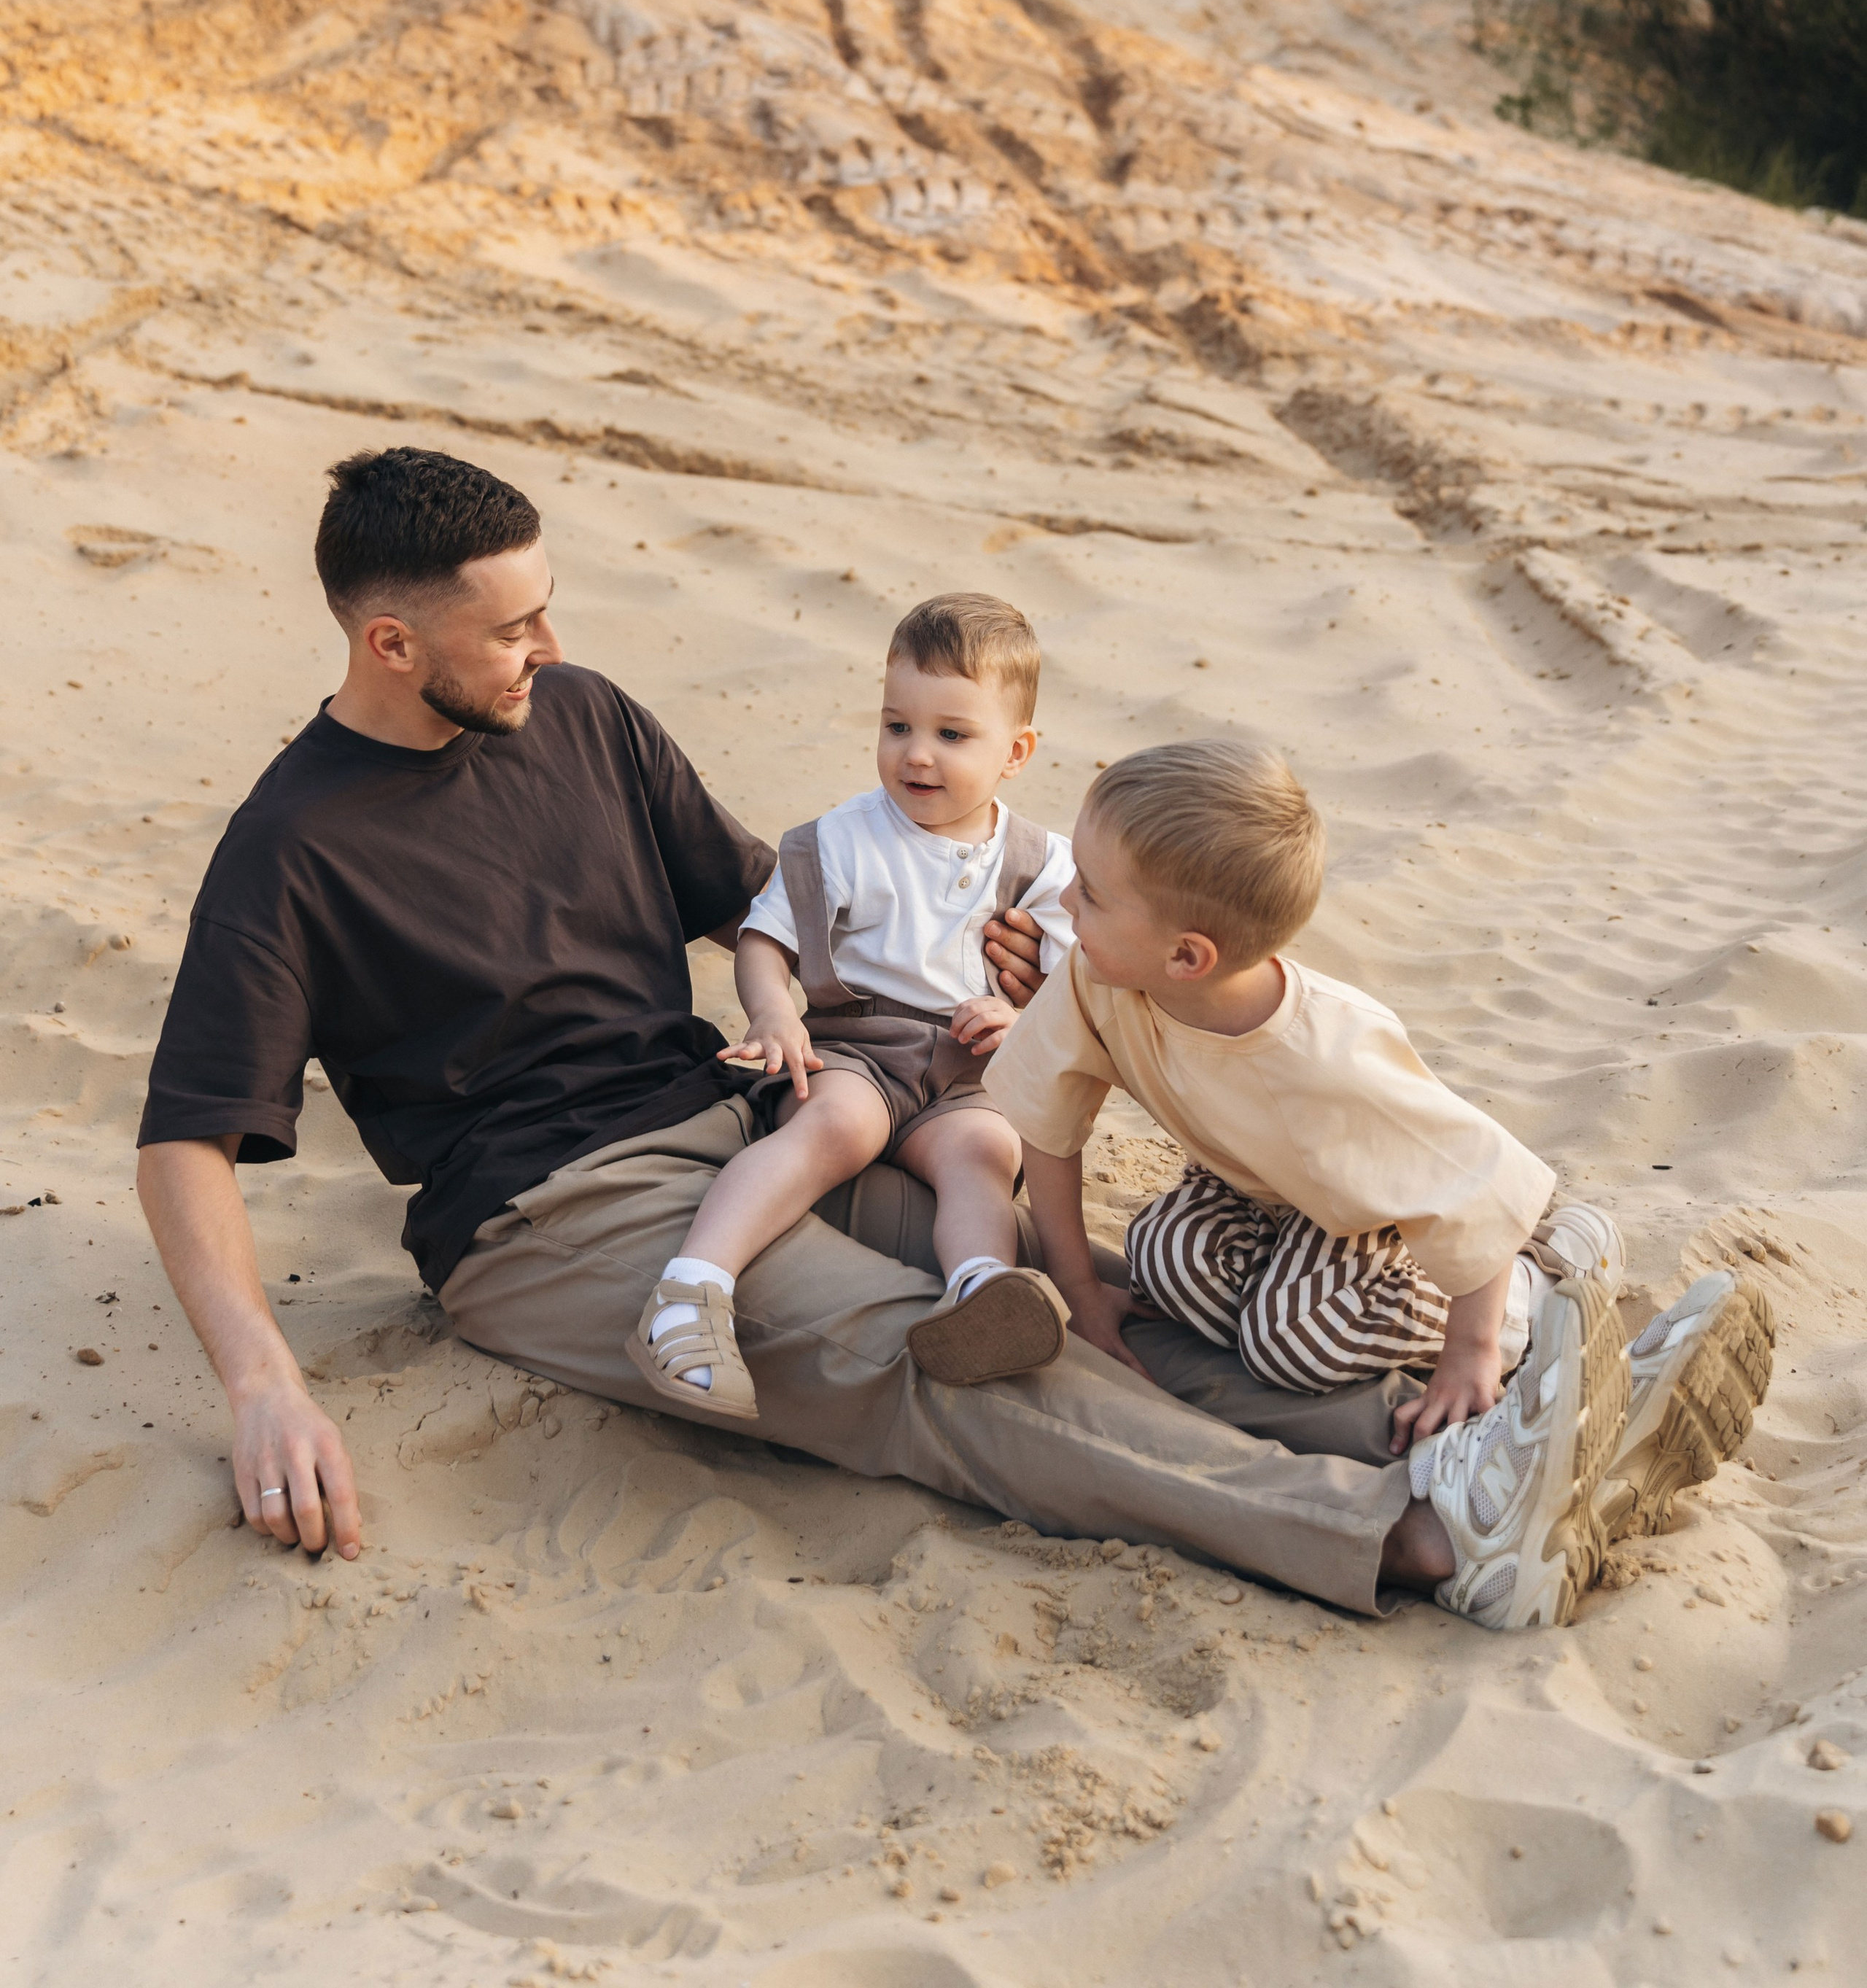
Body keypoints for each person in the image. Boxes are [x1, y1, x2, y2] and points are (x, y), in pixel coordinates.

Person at [136, 446, 1756, 1635]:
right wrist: (264, 1382)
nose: (547, 647)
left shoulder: (580, 713)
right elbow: (185, 1139)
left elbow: (766, 899)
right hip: (552, 1212)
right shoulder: (291, 851)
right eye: (512, 629)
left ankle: (1490, 1429)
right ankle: (1414, 1537)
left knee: (1053, 1290)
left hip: (756, 1115)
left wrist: (959, 949)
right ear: (390, 644)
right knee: (929, 1366)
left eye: (549, 612)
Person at [985, 737, 1776, 1627]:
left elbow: (1463, 1181)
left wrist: (1471, 1353)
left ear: (1187, 957)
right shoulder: (1100, 979)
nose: (1063, 900)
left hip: (1388, 1215)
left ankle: (1542, 1276)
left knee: (1294, 1340)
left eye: (1089, 892)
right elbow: (1049, 1129)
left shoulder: (1332, 1054)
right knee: (1162, 1257)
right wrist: (1080, 1290)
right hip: (1260, 1198)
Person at [629, 593, 1076, 1424]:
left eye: (951, 734)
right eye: (896, 725)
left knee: (983, 1152)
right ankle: (692, 1286)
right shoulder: (843, 839)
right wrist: (773, 1013)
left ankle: (978, 1291)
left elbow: (1077, 986)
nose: (916, 755)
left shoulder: (1044, 862)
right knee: (838, 1128)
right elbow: (768, 940)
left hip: (967, 1070)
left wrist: (1024, 1021)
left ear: (1015, 752)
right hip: (859, 1049)